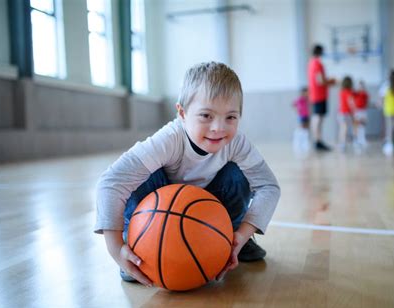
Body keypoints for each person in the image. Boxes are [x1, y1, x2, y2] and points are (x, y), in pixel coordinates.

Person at [94, 62, 281, 286]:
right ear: (182, 113)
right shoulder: (170, 139)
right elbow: (111, 182)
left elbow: (268, 186)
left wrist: (241, 234)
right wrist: (116, 249)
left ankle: (227, 238)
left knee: (237, 174)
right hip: (160, 204)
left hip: (211, 206)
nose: (218, 128)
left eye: (231, 117)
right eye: (206, 116)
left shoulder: (237, 143)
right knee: (140, 176)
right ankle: (137, 246)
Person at [307, 44, 337, 151]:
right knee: (318, 118)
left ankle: (318, 140)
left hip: (315, 94)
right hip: (319, 95)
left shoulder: (311, 63)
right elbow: (320, 81)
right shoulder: (317, 64)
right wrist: (332, 81)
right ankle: (318, 141)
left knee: (317, 117)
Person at [379, 70, 394, 156]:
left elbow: (382, 99)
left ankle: (389, 144)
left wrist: (382, 106)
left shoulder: (385, 86)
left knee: (389, 127)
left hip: (388, 109)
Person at [337, 76, 355, 151]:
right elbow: (350, 102)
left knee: (342, 128)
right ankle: (343, 144)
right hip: (346, 112)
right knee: (345, 128)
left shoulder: (341, 92)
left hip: (340, 113)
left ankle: (342, 143)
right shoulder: (349, 92)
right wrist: (353, 110)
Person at [292, 87, 311, 153]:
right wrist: (297, 110)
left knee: (307, 127)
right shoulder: (300, 99)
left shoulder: (307, 99)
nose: (308, 93)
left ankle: (305, 141)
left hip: (307, 115)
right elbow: (293, 104)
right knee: (302, 126)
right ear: (303, 92)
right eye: (306, 92)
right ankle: (300, 140)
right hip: (301, 115)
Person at [353, 80, 369, 148]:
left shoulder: (365, 94)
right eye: (359, 86)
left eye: (361, 86)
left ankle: (362, 139)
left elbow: (366, 102)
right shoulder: (355, 93)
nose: (360, 87)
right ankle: (356, 140)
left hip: (363, 111)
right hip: (357, 111)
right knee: (357, 126)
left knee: (362, 126)